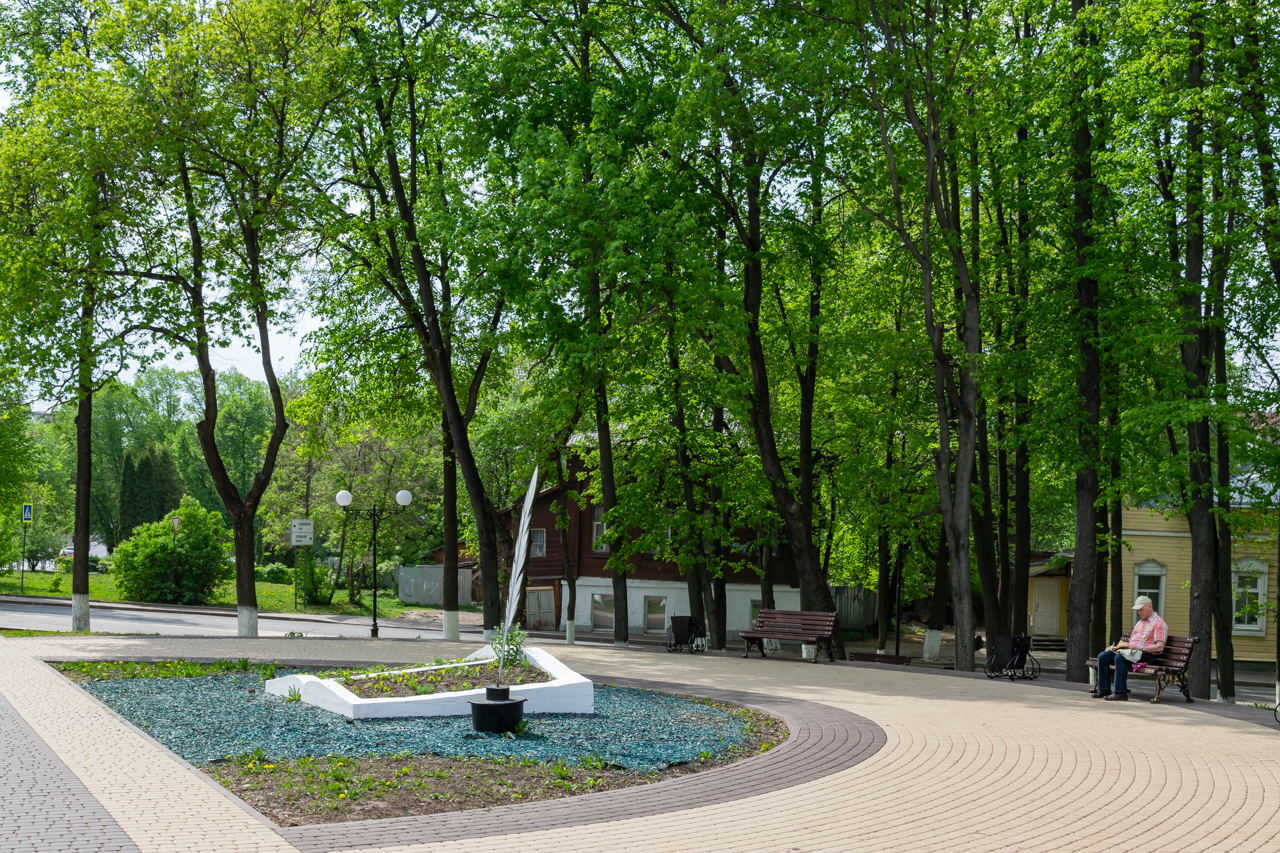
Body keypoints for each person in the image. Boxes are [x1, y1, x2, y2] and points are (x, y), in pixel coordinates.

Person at [1092, 595, 1167, 701]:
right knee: (1103, 656)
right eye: (1138, 610)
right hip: (1132, 651)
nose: (1139, 612)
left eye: (1141, 609)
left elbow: (1160, 647)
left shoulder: (1159, 623)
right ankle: (1104, 689)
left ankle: (1120, 692)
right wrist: (1123, 646)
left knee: (1120, 658)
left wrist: (1140, 648)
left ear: (1150, 606)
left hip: (1148, 655)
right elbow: (1133, 641)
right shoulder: (1140, 622)